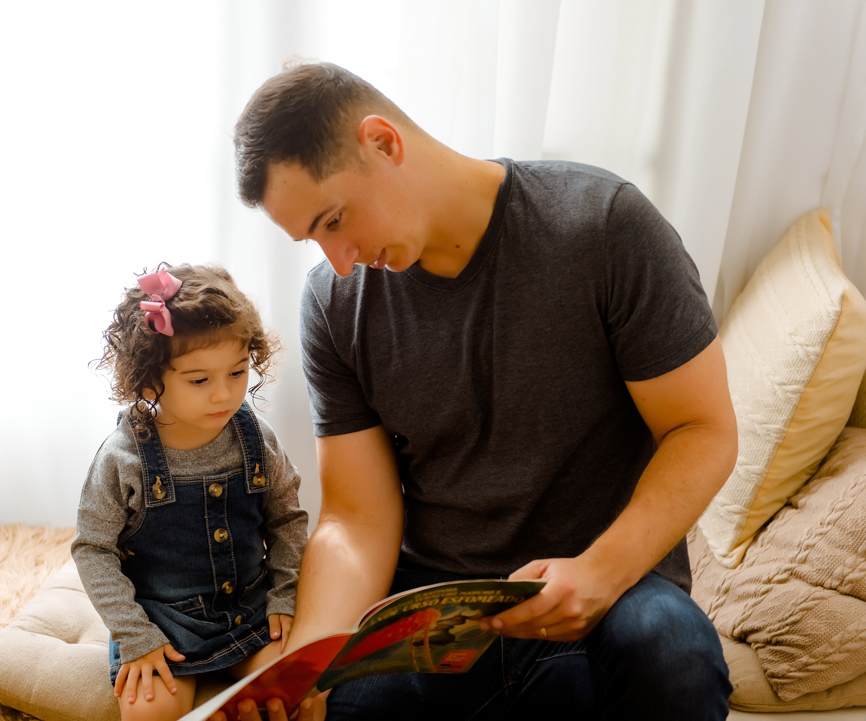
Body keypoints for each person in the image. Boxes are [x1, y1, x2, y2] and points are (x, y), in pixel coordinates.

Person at [214, 61, 738, 721]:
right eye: (314, 239)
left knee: (672, 654)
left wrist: (601, 572)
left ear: (383, 142)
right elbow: (357, 516)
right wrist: (309, 668)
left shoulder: (604, 225)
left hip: (609, 591)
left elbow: (702, 429)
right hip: (440, 614)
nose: (339, 260)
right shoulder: (334, 303)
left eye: (335, 219)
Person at [72, 263, 308, 721]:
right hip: (162, 621)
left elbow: (287, 520)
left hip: (252, 608)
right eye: (200, 380)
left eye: (237, 372)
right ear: (147, 379)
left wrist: (285, 594)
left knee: (297, 690)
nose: (224, 394)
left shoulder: (257, 438)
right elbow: (93, 549)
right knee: (149, 711)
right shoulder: (122, 458)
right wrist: (135, 635)